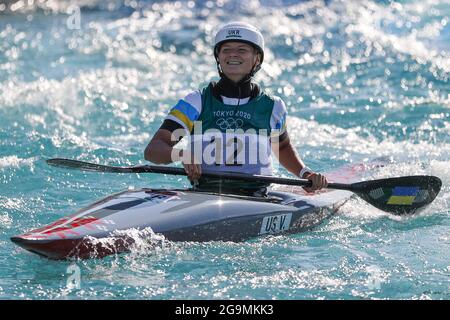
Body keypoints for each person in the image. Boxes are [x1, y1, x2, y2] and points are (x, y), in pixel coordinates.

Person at [144, 21, 327, 196]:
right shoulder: (195, 101)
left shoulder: (273, 106)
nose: (233, 55)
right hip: (204, 192)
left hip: (257, 195)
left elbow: (282, 147)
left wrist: (305, 174)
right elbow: (153, 150)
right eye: (226, 50)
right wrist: (181, 154)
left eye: (242, 50)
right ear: (218, 57)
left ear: (257, 59)